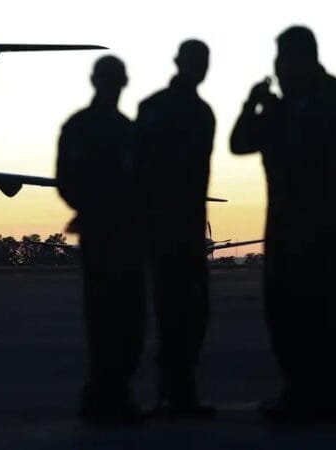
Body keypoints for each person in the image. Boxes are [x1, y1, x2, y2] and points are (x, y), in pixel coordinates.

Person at [230, 25, 336, 423]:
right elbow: (239, 143)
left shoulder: (331, 101)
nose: (280, 67)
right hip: (284, 227)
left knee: (322, 313)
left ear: (303, 59)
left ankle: (322, 394)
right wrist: (252, 105)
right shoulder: (279, 109)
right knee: (284, 314)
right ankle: (298, 391)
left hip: (325, 228)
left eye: (286, 59)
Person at [56, 55, 145, 423]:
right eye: (107, 78)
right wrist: (97, 209)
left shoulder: (127, 129)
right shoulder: (82, 127)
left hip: (126, 235)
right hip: (101, 234)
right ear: (96, 81)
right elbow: (67, 180)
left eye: (115, 79)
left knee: (130, 321)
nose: (111, 85)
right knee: (105, 318)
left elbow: (142, 179)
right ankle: (102, 396)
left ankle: (118, 394)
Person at [136, 40, 215, 418]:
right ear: (180, 63)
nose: (200, 68)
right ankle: (174, 393)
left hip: (185, 226)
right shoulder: (161, 109)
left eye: (204, 62)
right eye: (195, 61)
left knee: (192, 312)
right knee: (175, 312)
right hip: (167, 227)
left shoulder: (198, 111)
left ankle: (179, 389)